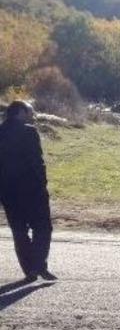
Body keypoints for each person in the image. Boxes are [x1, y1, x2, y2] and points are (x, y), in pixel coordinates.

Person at [0, 101, 56, 282]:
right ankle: (38, 265)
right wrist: (42, 183)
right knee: (43, 228)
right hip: (31, 189)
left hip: (7, 191)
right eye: (29, 111)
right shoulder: (29, 131)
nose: (32, 114)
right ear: (20, 112)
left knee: (19, 231)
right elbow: (36, 161)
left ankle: (30, 269)